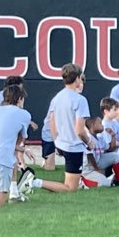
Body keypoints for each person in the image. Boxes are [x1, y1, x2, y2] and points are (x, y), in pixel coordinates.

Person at [28, 63, 93, 193]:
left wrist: (56, 142)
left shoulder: (57, 97)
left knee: (71, 180)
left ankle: (78, 181)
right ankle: (33, 182)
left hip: (62, 143)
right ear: (78, 78)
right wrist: (89, 142)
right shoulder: (80, 100)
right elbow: (80, 130)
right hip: (73, 146)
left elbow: (52, 123)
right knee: (70, 188)